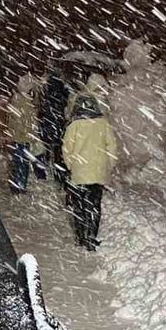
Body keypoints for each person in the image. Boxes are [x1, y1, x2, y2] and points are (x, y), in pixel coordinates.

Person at [62, 92, 118, 251]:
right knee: (94, 205)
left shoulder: (74, 125)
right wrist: (108, 165)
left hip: (79, 172)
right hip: (98, 172)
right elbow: (112, 147)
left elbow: (66, 149)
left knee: (79, 206)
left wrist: (71, 166)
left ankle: (81, 236)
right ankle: (91, 236)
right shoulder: (104, 124)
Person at [3, 74, 43, 194]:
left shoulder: (17, 99)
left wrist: (11, 132)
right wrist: (33, 134)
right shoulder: (29, 101)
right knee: (22, 162)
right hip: (24, 137)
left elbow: (12, 119)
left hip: (19, 136)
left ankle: (18, 184)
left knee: (19, 162)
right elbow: (31, 121)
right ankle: (19, 185)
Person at [38, 69, 72, 186]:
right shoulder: (62, 88)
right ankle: (59, 176)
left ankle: (42, 171)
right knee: (58, 151)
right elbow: (66, 101)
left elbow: (42, 104)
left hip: (48, 121)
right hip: (58, 122)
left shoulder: (46, 88)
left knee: (46, 147)